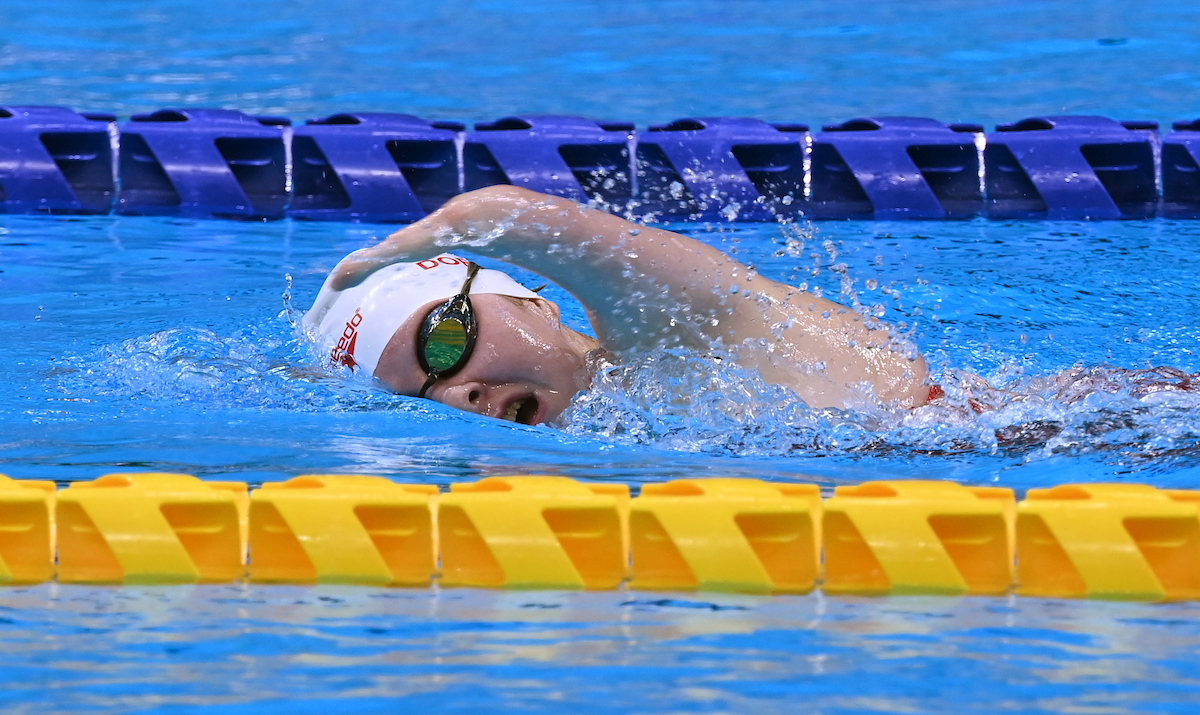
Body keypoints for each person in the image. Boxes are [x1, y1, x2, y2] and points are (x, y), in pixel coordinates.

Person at [305, 185, 937, 426]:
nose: (455, 396)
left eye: (442, 344)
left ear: (533, 306)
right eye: (419, 399)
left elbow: (573, 246)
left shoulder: (687, 342)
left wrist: (482, 220)